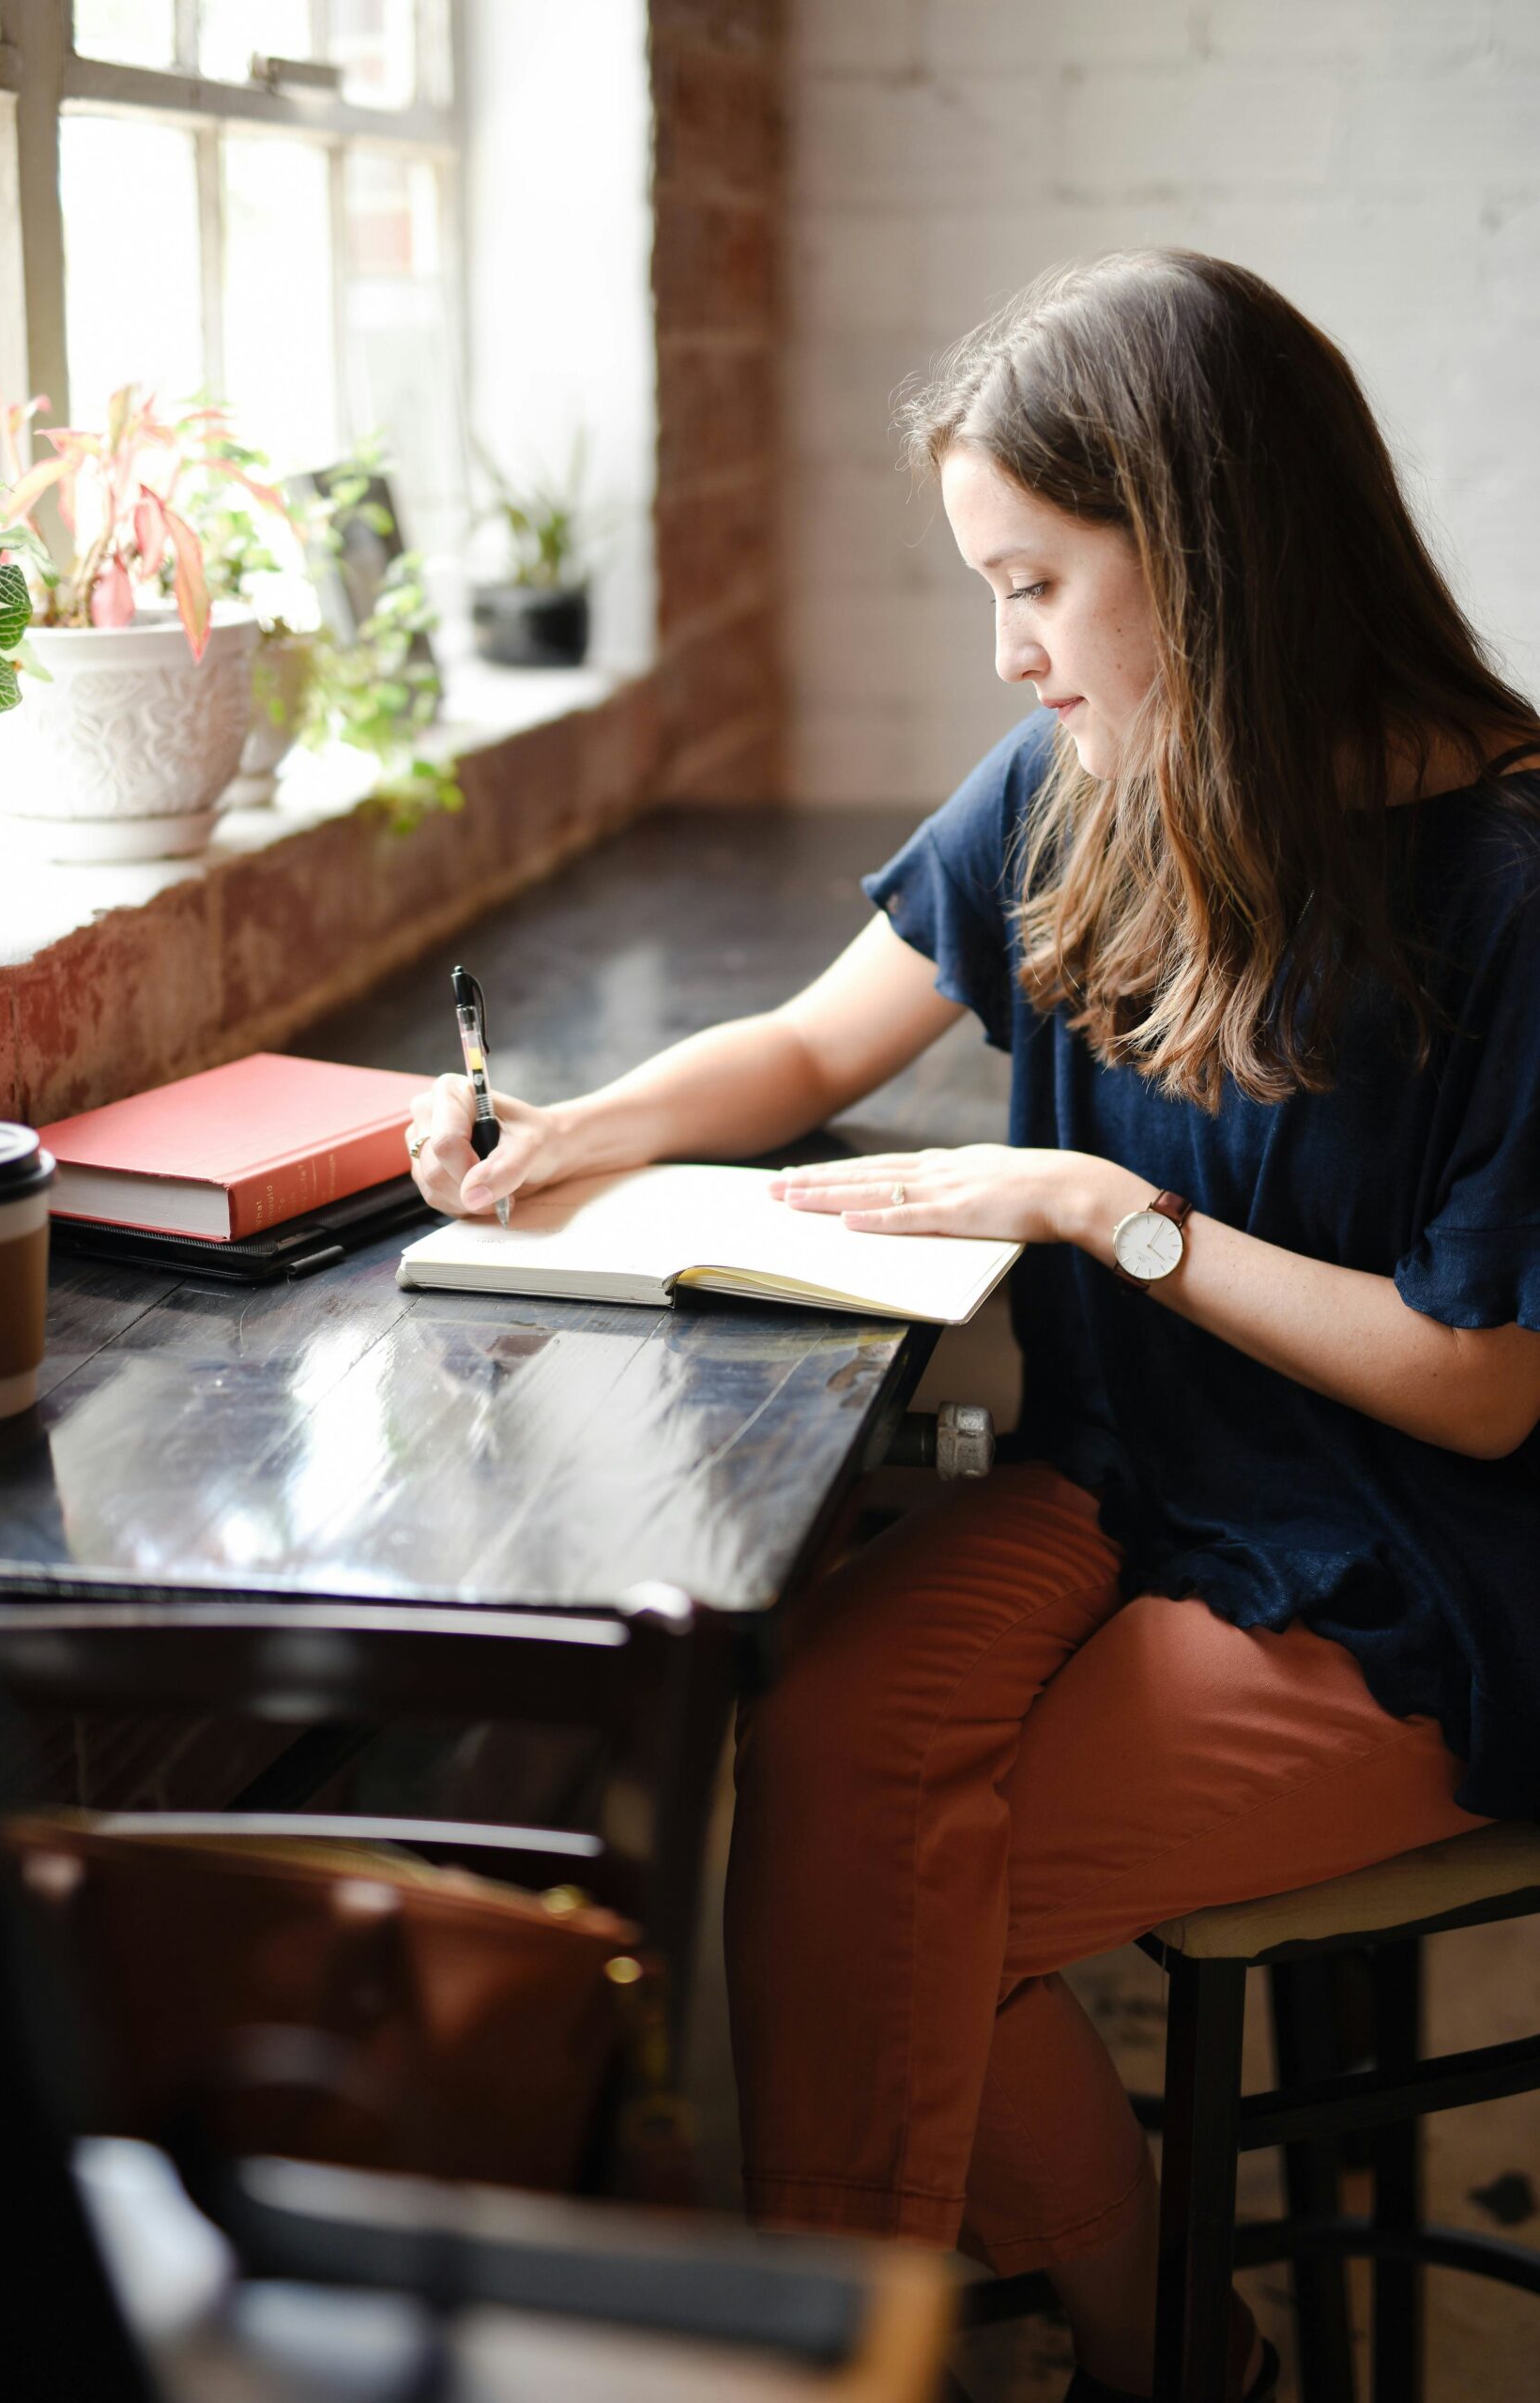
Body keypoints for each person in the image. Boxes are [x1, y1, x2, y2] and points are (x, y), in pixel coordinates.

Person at [407, 251, 1540, 2401]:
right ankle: (1135, 2345)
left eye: (1033, 580)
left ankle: (990, 2356)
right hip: (1137, 1477)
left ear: (1208, 555)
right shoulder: (1087, 774)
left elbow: (1484, 1390)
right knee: (823, 1736)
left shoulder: (1511, 881)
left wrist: (1106, 1210)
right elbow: (807, 1041)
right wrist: (563, 1131)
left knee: (913, 1891)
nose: (1007, 650)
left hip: (1428, 1563)